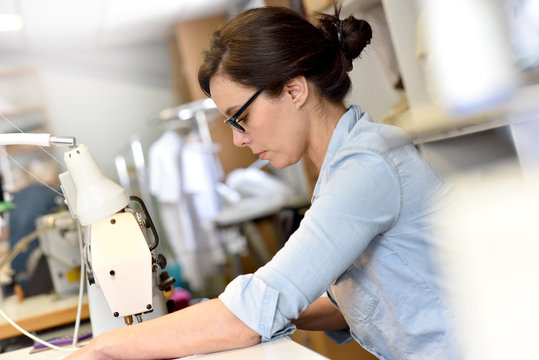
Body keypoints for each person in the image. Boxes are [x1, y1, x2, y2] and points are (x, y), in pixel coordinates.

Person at [66, 5, 460, 360]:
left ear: (294, 90)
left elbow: (250, 316)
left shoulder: (367, 167)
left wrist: (102, 346)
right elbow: (347, 302)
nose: (238, 138)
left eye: (241, 118)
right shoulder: (345, 164)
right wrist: (239, 306)